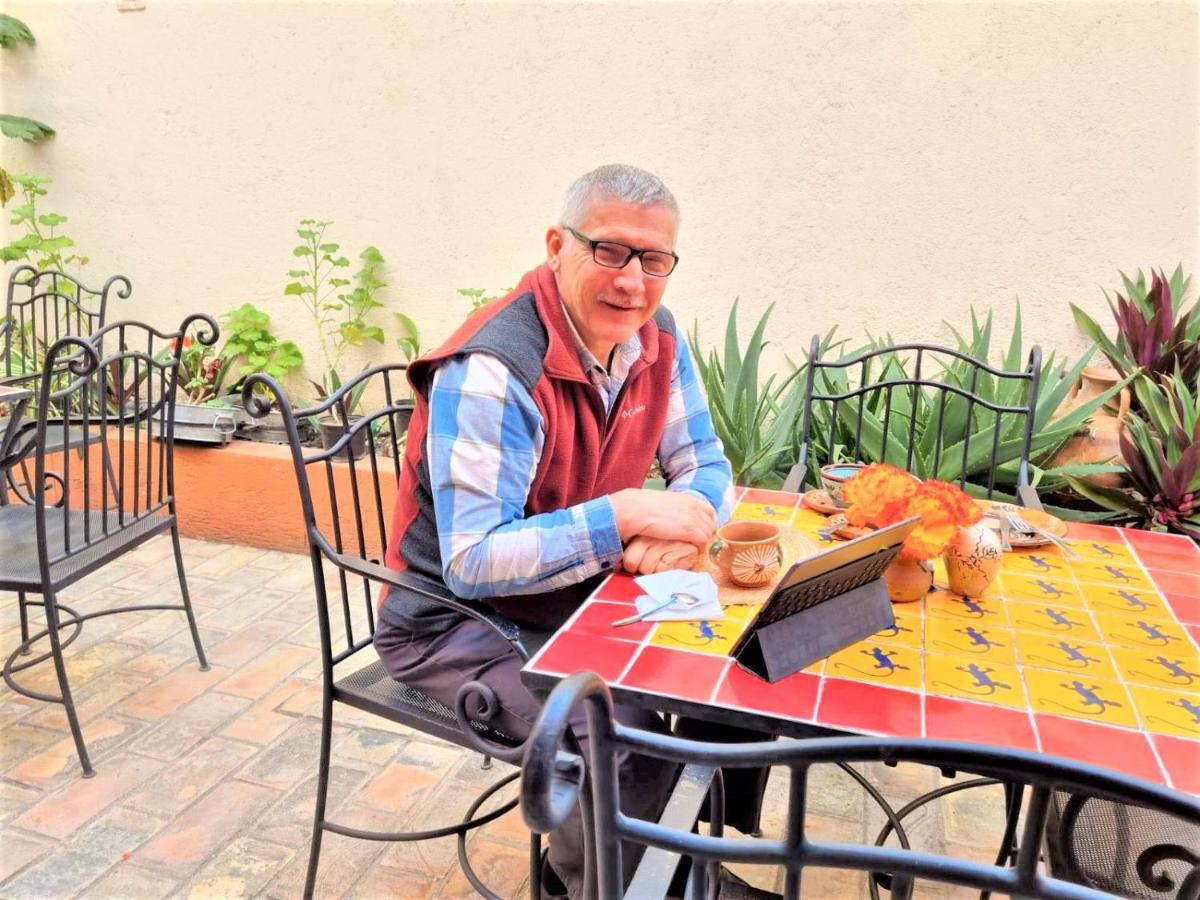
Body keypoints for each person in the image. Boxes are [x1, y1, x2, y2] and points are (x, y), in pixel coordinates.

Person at [374, 163, 734, 898]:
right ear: (556, 245)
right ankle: (604, 886)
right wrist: (627, 516)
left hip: (571, 596)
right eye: (609, 250)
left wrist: (678, 529)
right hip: (452, 624)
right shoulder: (494, 368)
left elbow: (708, 465)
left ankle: (686, 873)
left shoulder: (655, 337)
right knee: (615, 729)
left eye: (654, 259)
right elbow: (473, 562)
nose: (632, 280)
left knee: (733, 678)